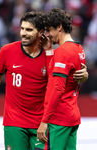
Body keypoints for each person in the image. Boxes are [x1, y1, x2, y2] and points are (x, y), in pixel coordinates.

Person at [0, 12, 88, 150]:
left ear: (41, 32)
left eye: (29, 30)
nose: (23, 33)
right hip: (14, 123)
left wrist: (84, 75)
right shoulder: (7, 51)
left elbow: (59, 82)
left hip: (41, 124)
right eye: (22, 28)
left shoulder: (51, 55)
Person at [36, 8, 86, 150]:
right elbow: (58, 72)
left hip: (58, 118)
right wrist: (49, 51)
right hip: (71, 116)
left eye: (49, 30)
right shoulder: (78, 48)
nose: (48, 35)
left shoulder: (62, 52)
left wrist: (44, 121)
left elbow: (58, 89)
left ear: (59, 27)